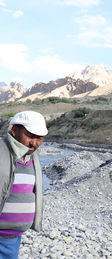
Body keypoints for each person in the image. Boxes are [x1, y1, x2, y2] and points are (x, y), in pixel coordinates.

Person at [0, 111, 48, 259]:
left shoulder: (32, 157)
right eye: (30, 136)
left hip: (13, 237)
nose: (34, 143)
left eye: (39, 138)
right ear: (14, 130)